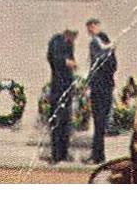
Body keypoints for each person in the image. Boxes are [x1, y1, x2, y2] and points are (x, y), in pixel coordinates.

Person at [85, 18, 117, 165]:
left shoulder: (96, 42)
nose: (89, 31)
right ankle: (99, 155)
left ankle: (97, 155)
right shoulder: (105, 45)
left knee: (99, 122)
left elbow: (100, 64)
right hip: (104, 86)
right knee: (99, 123)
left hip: (100, 87)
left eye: (91, 27)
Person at [45, 27, 79, 164]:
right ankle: (55, 154)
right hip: (57, 86)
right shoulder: (56, 41)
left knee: (66, 121)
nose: (74, 39)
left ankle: (64, 153)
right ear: (67, 33)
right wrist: (67, 62)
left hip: (67, 86)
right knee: (57, 121)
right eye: (73, 35)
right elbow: (53, 58)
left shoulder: (70, 44)